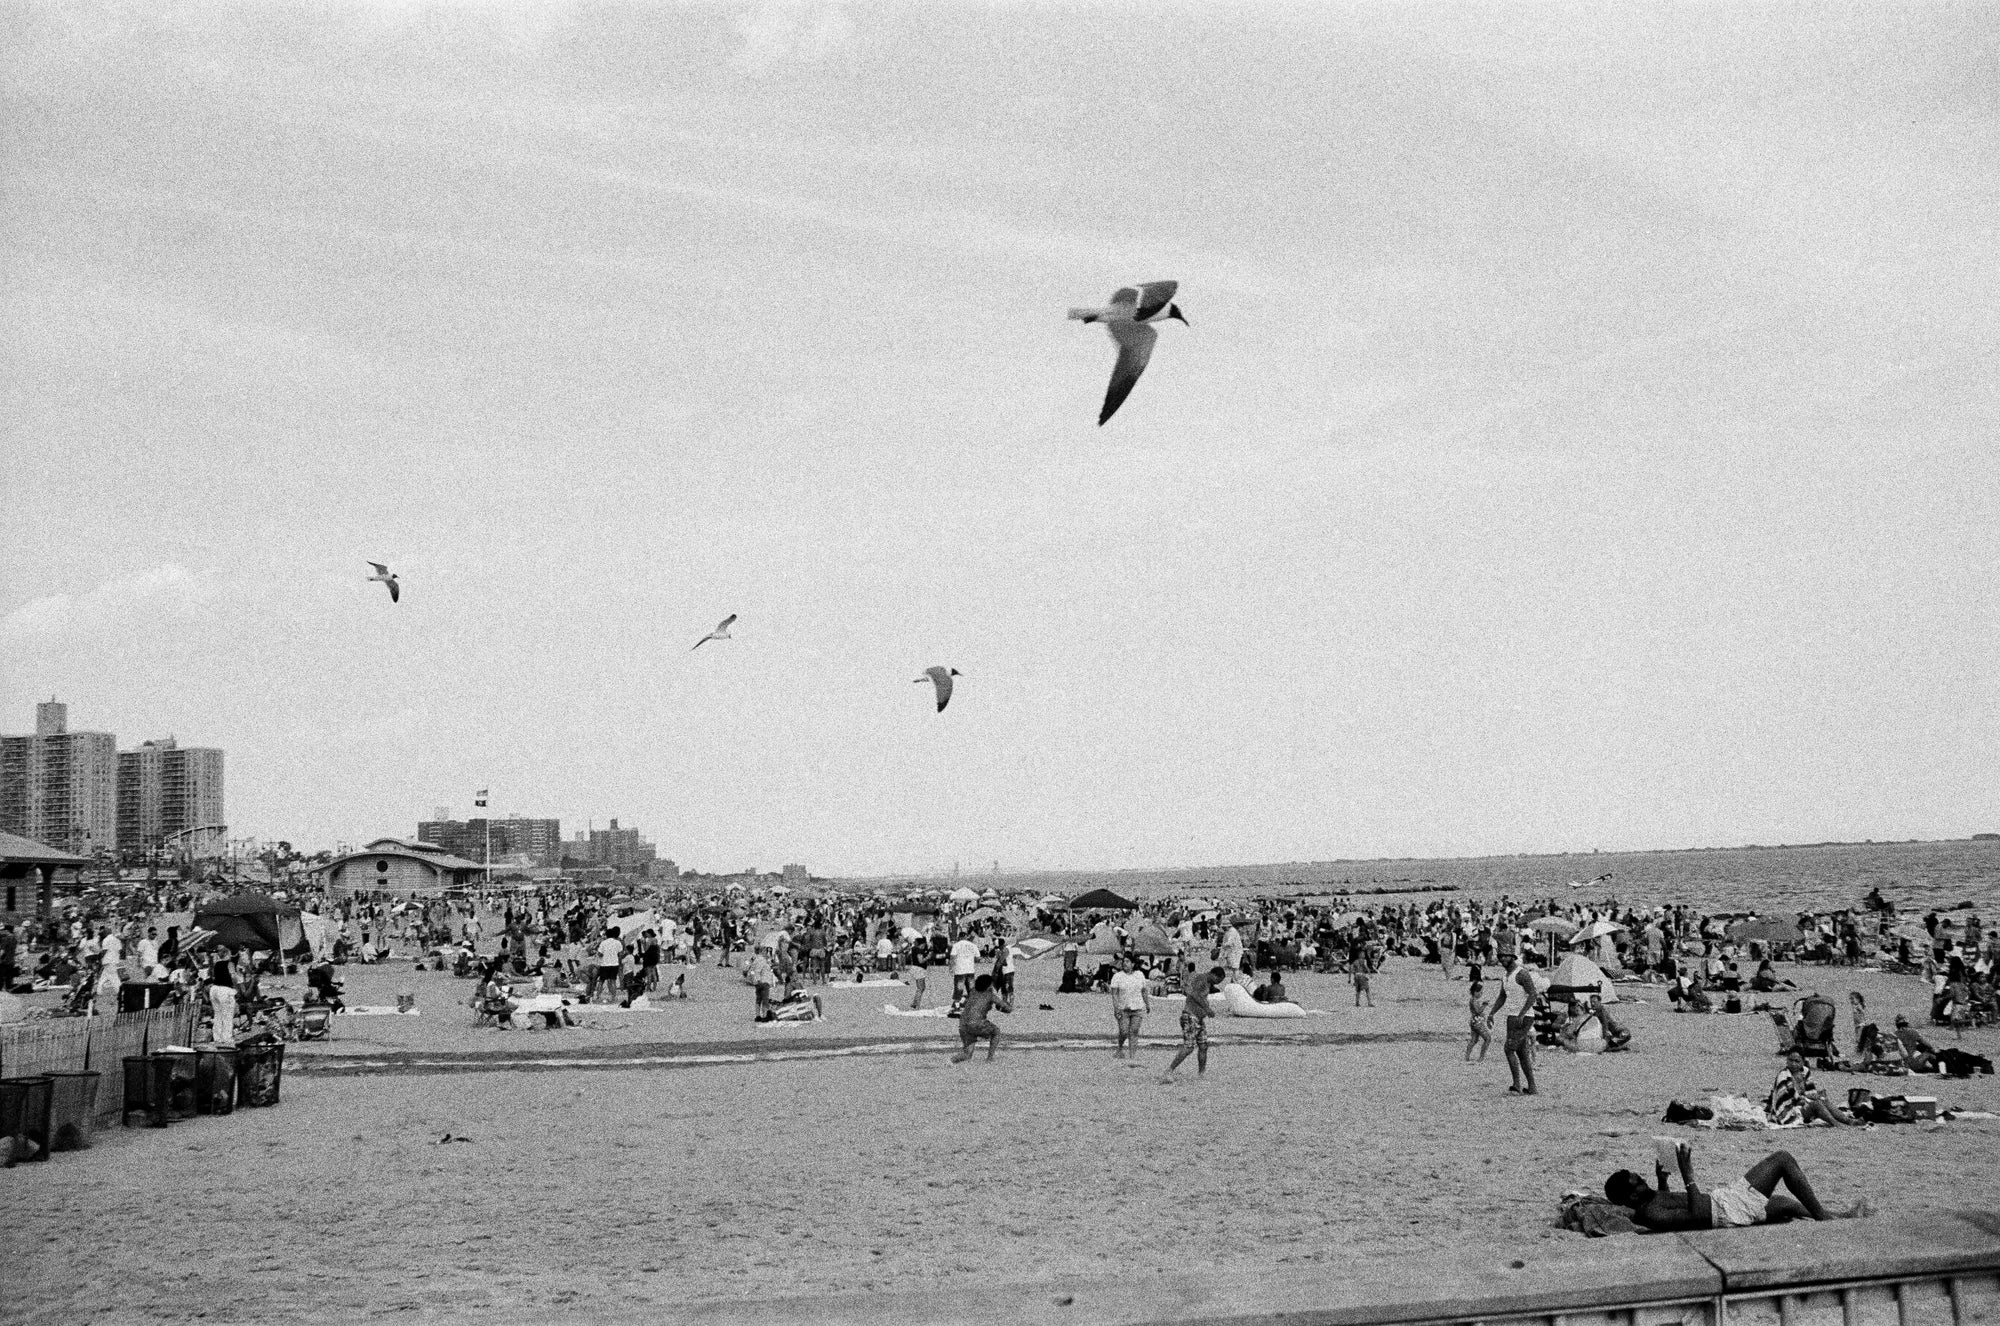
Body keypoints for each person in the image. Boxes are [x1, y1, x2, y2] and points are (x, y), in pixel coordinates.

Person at [1605, 1142, 1867, 1230]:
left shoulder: (1649, 1201)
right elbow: (1695, 1215)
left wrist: (1662, 1179)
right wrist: (1688, 1176)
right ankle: (1825, 1218)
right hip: (1727, 1213)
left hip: (1725, 1202)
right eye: (1637, 1182)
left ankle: (1838, 1217)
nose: (1643, 1181)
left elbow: (1669, 1201)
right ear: (1630, 1197)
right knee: (1783, 1163)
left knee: (1789, 1204)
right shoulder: (1649, 1214)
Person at [1160, 964, 1224, 1083]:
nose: (1217, 983)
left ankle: (1201, 1074)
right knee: (1189, 1047)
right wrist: (1207, 1008)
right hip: (1190, 1016)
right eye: (1218, 980)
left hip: (1199, 1019)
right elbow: (1193, 994)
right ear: (1213, 975)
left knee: (1203, 1046)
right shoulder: (1201, 978)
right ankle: (1169, 1070)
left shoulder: (1207, 983)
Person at [950, 973, 1009, 1063]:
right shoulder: (990, 996)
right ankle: (990, 1058)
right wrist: (1008, 1007)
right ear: (988, 985)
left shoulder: (973, 991)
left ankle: (950, 1061)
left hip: (963, 1024)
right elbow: (1007, 1008)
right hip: (977, 1023)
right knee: (996, 1032)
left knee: (967, 1054)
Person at [1109, 953, 1150, 1059]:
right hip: (1123, 1008)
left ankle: (1132, 1056)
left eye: (1127, 961)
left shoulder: (1140, 975)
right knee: (1123, 1032)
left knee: (1134, 1031)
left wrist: (1147, 1004)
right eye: (1124, 961)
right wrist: (1116, 1007)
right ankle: (1120, 1047)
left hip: (1138, 1007)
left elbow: (1144, 991)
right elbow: (1114, 994)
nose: (1124, 963)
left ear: (1132, 964)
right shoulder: (1117, 976)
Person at [1503, 997, 1538, 1095]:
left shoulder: (1520, 980)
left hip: (1519, 1016)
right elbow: (1503, 995)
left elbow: (1533, 994)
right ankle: (1532, 1087)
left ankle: (1517, 1085)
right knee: (1522, 1051)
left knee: (1509, 1049)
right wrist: (1492, 1013)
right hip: (1517, 1015)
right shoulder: (1507, 980)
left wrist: (1522, 1013)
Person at [1466, 979, 1496, 1062]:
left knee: (1474, 1040)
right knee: (1487, 1038)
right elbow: (1478, 1011)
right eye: (1480, 992)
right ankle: (1481, 1057)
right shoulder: (1474, 1000)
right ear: (1475, 991)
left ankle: (1467, 1056)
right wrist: (1484, 1005)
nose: (1481, 994)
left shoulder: (1473, 999)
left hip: (1474, 1022)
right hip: (1477, 1023)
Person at [949, 934, 980, 1010]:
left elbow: (952, 957)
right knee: (971, 989)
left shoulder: (956, 945)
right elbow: (978, 958)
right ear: (966, 937)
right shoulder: (973, 945)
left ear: (959, 937)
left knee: (959, 988)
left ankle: (957, 1006)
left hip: (960, 970)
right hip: (970, 970)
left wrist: (951, 968)